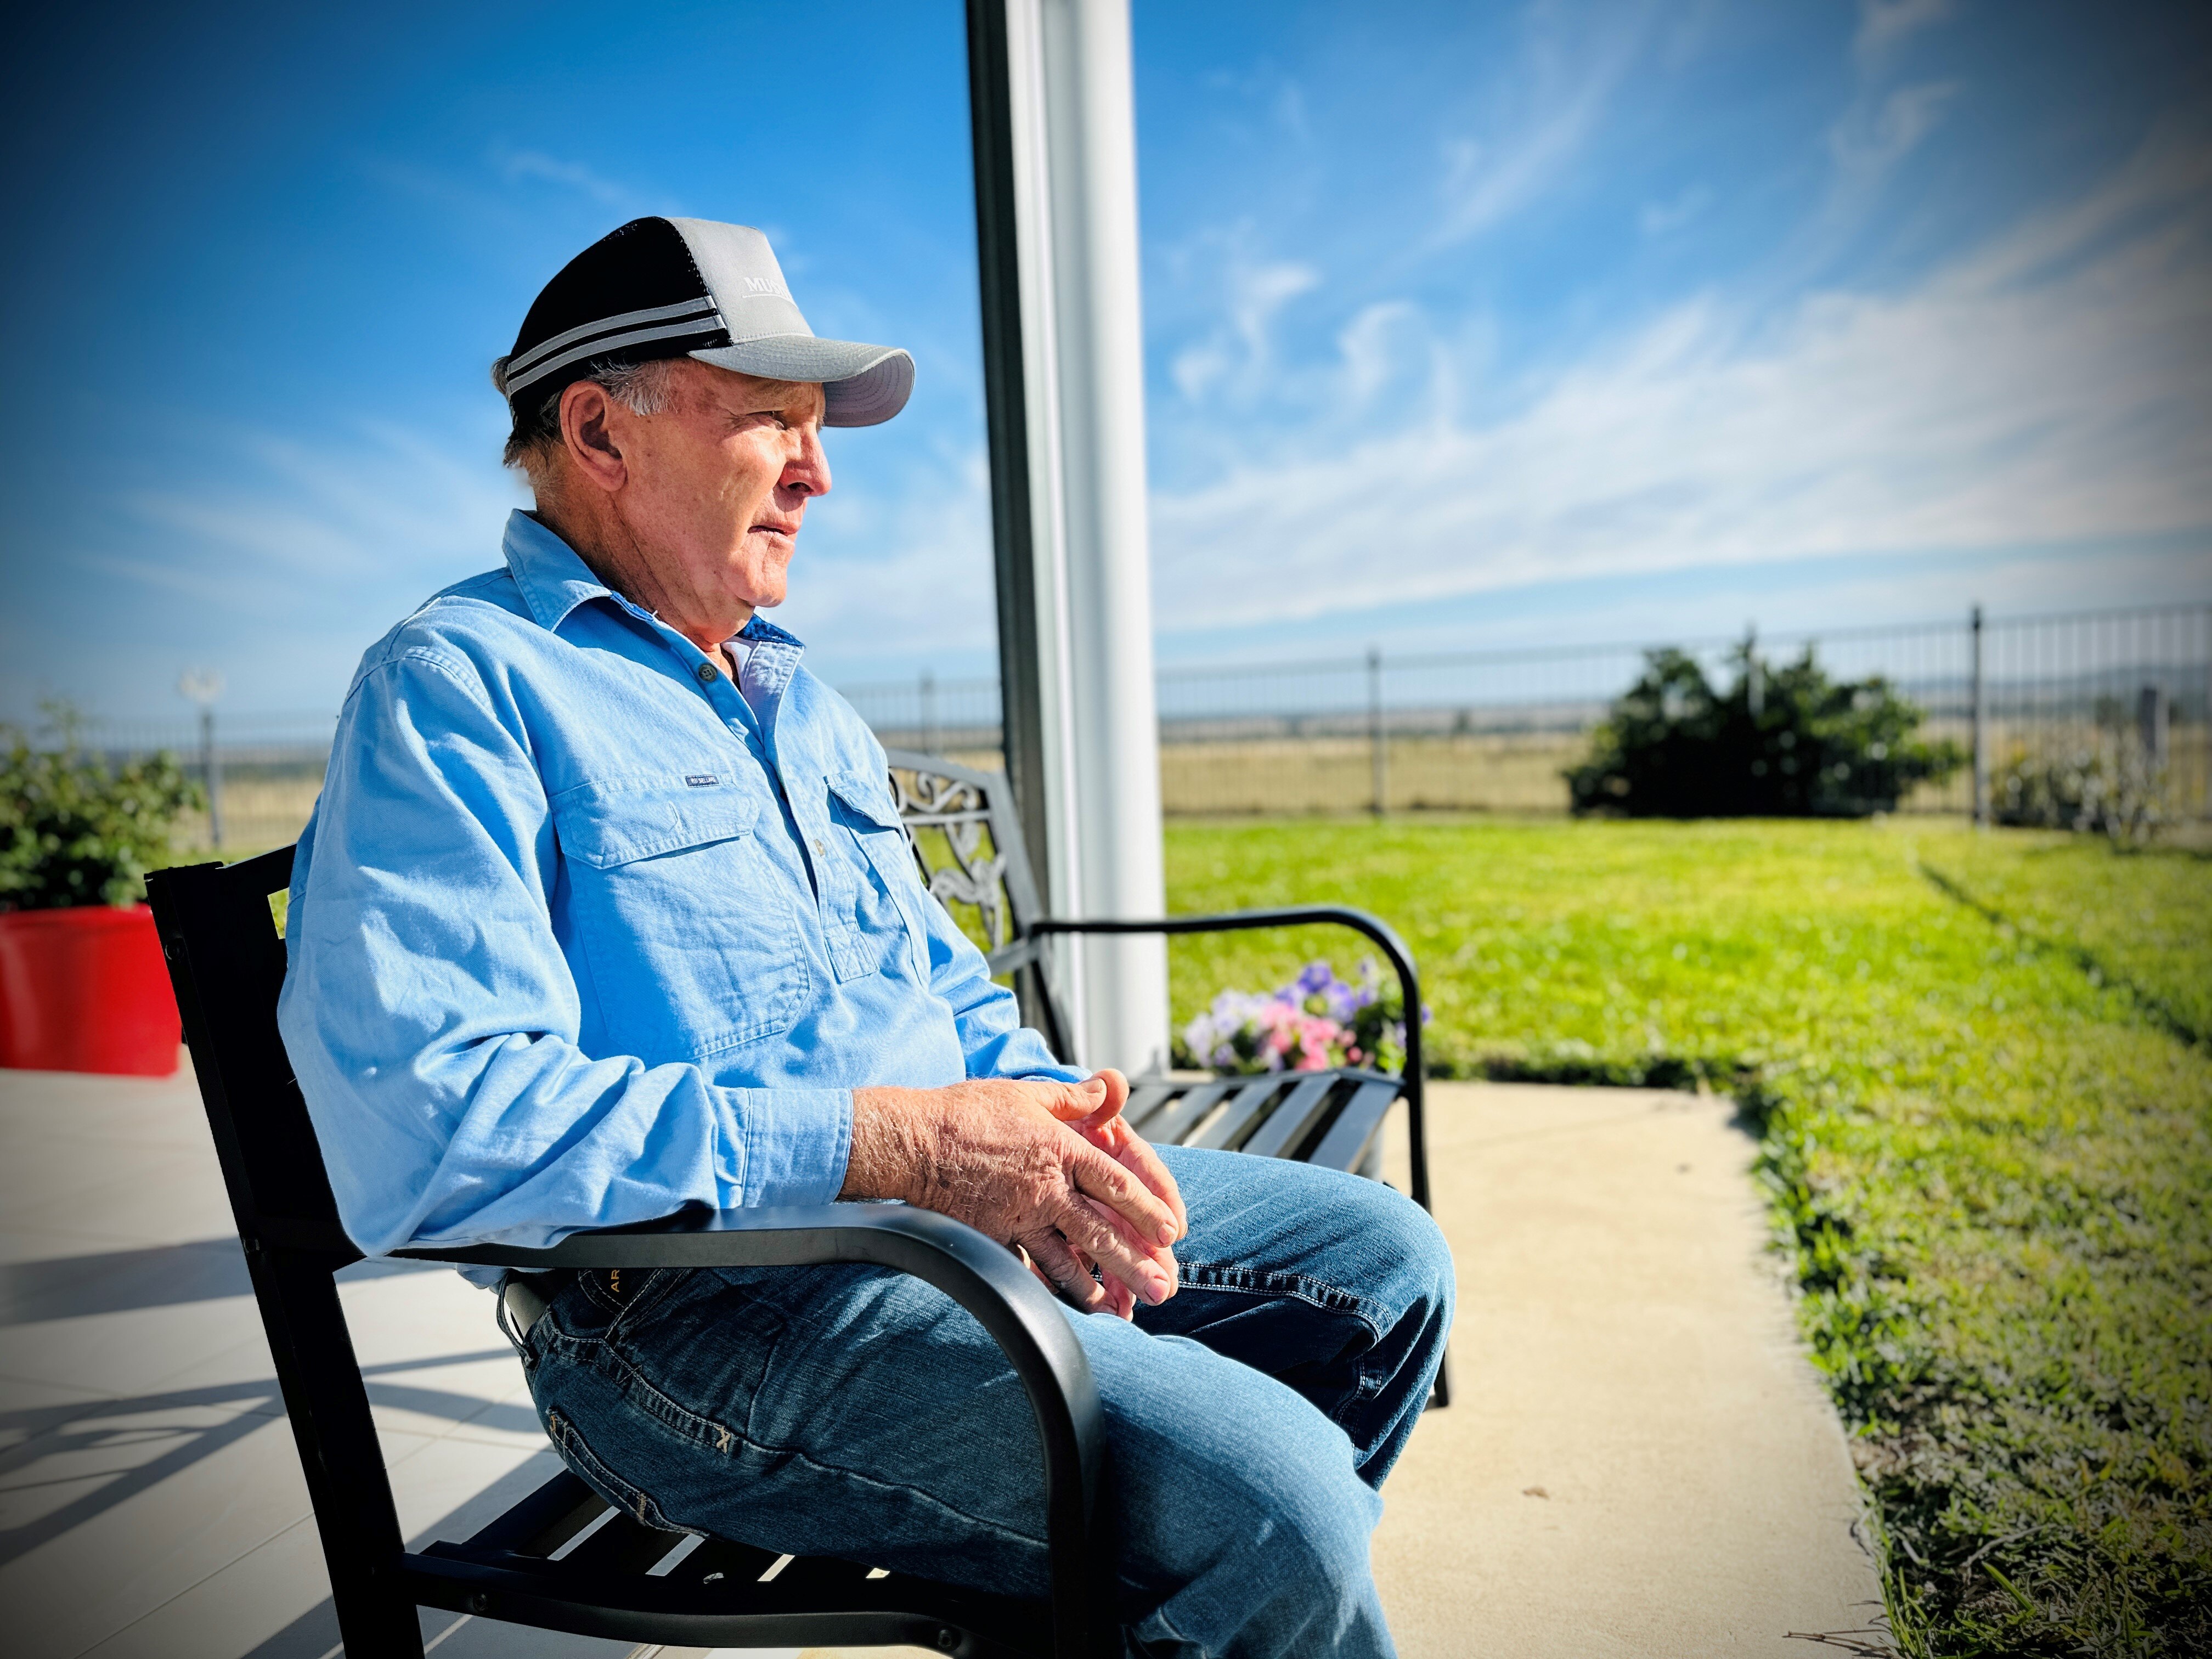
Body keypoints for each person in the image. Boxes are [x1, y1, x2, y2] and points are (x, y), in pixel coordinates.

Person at [278, 216, 1452, 1657]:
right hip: (693, 1324)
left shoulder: (802, 702)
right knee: (1281, 1514)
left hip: (929, 1248)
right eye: (773, 420)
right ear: (598, 430)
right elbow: (436, 1132)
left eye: (817, 429)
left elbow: (936, 990)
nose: (819, 474)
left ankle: (1150, 1610)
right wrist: (909, 1148)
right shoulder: (459, 688)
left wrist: (1046, 1120)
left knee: (1385, 1271)